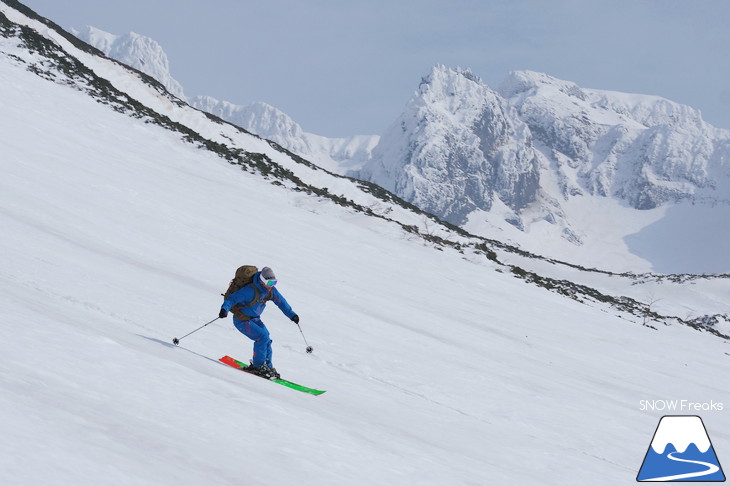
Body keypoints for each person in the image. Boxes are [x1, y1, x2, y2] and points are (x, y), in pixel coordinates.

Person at [218, 267, 299, 379]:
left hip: (254, 319)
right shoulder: (250, 290)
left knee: (267, 339)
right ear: (262, 280)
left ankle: (267, 367)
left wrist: (292, 315)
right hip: (242, 320)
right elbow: (231, 299)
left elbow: (281, 303)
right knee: (262, 337)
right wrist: (224, 309)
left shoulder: (271, 291)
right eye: (269, 282)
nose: (272, 285)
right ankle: (258, 366)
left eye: (274, 282)